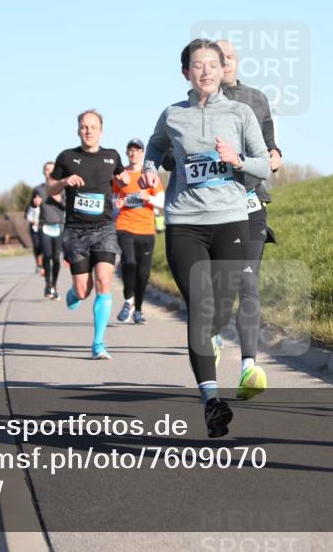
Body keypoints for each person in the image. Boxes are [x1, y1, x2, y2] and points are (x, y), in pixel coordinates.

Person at [141, 38, 271, 438]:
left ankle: (213, 346)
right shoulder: (172, 114)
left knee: (221, 306)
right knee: (200, 305)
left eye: (212, 64)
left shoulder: (241, 111)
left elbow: (264, 165)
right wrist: (149, 168)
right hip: (185, 222)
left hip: (231, 219)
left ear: (221, 69)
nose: (206, 71)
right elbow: (156, 145)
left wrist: (237, 161)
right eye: (198, 65)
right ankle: (211, 400)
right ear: (186, 73)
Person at [213, 39, 283, 400]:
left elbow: (270, 141)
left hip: (252, 204)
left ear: (236, 62)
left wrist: (275, 155)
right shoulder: (195, 106)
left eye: (229, 57)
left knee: (248, 284)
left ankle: (248, 368)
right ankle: (211, 332)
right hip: (211, 210)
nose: (223, 63)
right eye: (216, 57)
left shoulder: (256, 98)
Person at [45, 110, 129, 359]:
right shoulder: (67, 157)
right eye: (84, 127)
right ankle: (74, 293)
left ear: (101, 130)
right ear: (78, 130)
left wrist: (124, 180)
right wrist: (64, 182)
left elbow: (121, 179)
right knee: (83, 291)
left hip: (104, 229)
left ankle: (98, 343)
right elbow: (51, 189)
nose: (88, 131)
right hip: (76, 232)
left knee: (104, 281)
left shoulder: (111, 156)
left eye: (92, 127)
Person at [113, 139, 165, 324]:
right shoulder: (120, 175)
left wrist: (147, 197)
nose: (133, 153)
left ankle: (139, 309)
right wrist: (116, 204)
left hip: (146, 229)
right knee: (129, 262)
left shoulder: (150, 176)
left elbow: (163, 202)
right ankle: (128, 300)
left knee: (143, 274)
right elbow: (112, 201)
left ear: (143, 153)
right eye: (130, 150)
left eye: (137, 150)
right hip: (125, 226)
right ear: (127, 153)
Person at [33, 161, 66, 300]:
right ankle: (47, 284)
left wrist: (59, 200)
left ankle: (54, 284)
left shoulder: (62, 189)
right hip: (44, 226)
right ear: (43, 172)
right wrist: (35, 203)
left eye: (52, 170)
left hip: (58, 226)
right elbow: (31, 205)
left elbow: (67, 207)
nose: (49, 172)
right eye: (47, 170)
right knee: (47, 256)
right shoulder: (38, 189)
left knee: (56, 258)